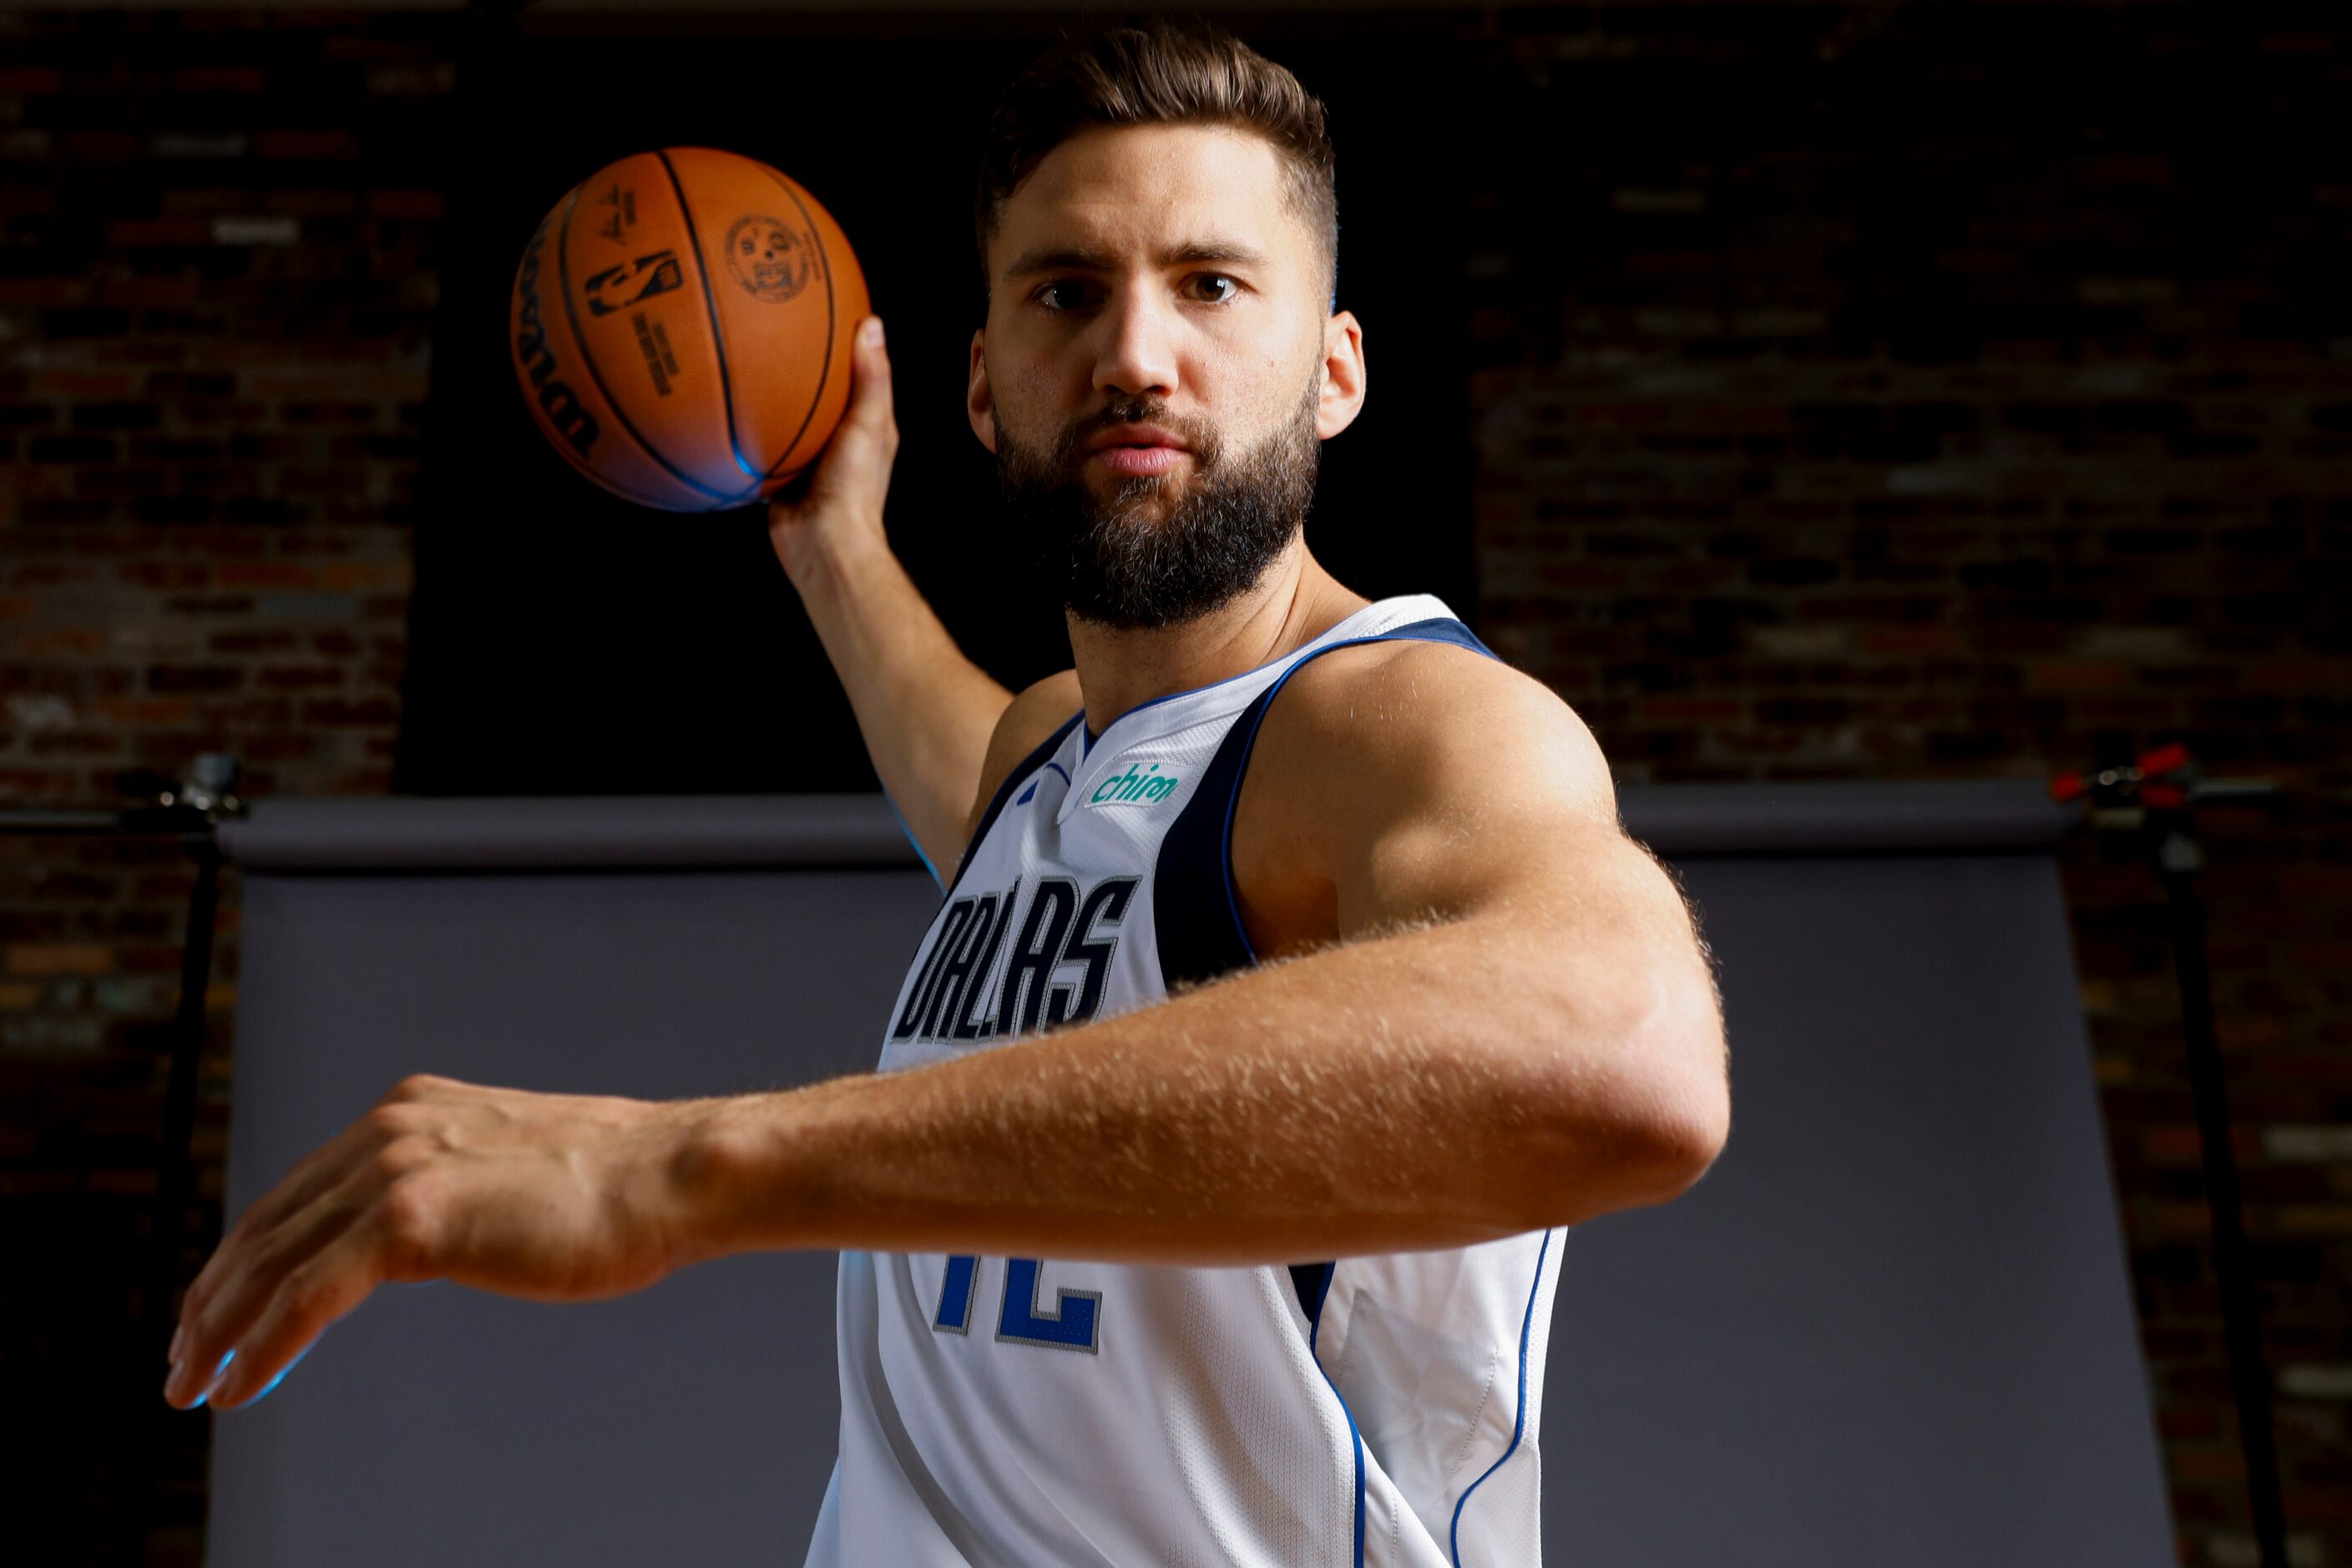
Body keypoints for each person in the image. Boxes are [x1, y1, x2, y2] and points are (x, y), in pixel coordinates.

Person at [164, 22, 1729, 1566]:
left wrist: (678, 1169)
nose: (1131, 355)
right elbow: (975, 765)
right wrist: (829, 539)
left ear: (1334, 373)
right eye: (1067, 293)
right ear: (983, 388)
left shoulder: (1403, 724)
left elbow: (1626, 1053)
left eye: (1209, 285)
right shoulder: (1055, 762)